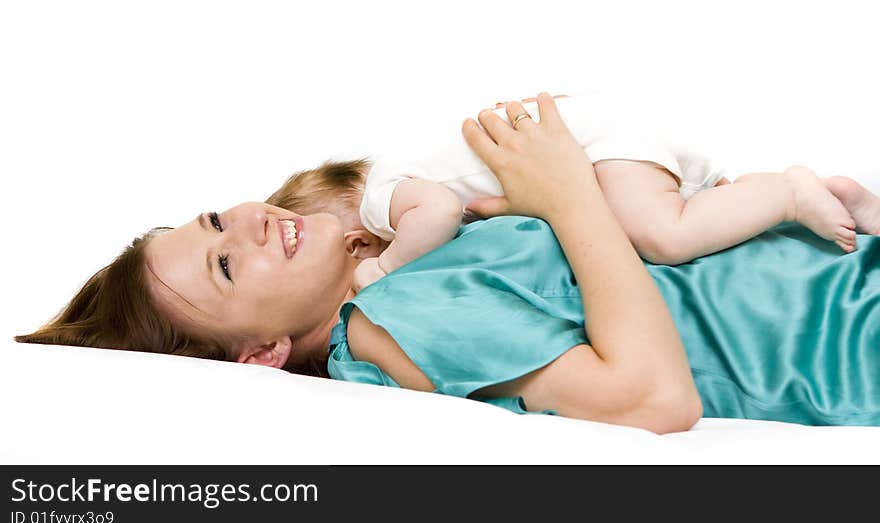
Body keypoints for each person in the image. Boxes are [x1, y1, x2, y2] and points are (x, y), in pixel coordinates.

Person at [15, 93, 880, 434]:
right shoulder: (388, 327)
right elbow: (654, 400)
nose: (248, 224)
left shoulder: (400, 256)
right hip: (851, 337)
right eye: (225, 268)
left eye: (214, 221)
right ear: (260, 355)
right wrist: (568, 190)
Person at [267, 93, 862, 294]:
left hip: (593, 145)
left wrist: (390, 262)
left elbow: (441, 212)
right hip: (596, 137)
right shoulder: (413, 167)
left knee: (666, 236)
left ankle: (789, 192)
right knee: (706, 209)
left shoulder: (383, 199)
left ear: (354, 230)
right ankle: (834, 195)